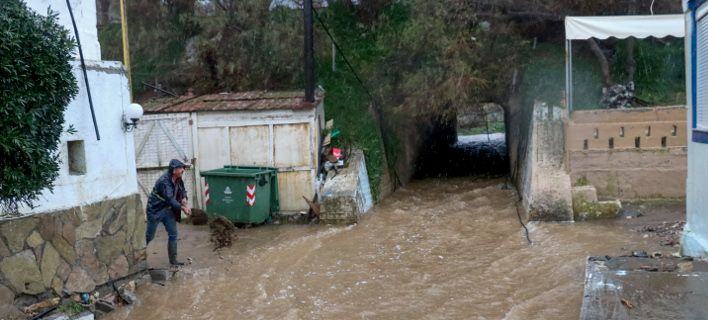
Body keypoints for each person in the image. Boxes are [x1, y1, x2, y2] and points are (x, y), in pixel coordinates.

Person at [145, 159, 192, 266]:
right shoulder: (164, 181)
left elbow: (182, 189)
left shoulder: (178, 179)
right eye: (181, 168)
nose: (183, 170)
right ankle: (139, 258)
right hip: (155, 210)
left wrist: (184, 198)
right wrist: (183, 208)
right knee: (149, 236)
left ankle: (173, 261)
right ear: (174, 170)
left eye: (183, 168)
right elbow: (170, 199)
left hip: (168, 209)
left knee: (173, 234)